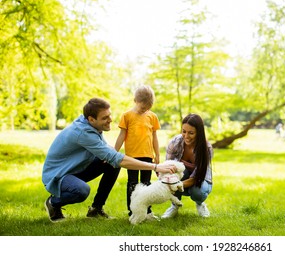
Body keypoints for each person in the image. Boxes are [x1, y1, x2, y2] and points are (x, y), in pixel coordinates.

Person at [42, 97, 176, 223]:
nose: (110, 119)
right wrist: (155, 167)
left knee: (112, 164)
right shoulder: (83, 133)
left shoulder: (90, 125)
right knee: (82, 190)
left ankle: (96, 209)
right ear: (91, 119)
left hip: (74, 169)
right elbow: (117, 158)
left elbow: (111, 154)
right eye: (105, 118)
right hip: (58, 175)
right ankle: (53, 203)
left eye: (110, 115)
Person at [114, 85, 160, 218]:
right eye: (142, 107)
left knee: (146, 185)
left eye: (148, 107)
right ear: (135, 101)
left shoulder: (152, 117)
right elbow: (121, 135)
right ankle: (132, 212)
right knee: (132, 185)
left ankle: (148, 212)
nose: (145, 110)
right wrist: (114, 153)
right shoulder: (127, 116)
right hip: (132, 157)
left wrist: (157, 154)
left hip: (147, 156)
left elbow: (154, 137)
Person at [161, 113, 213, 219]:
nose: (186, 136)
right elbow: (167, 168)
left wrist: (176, 185)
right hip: (181, 177)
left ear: (199, 133)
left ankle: (200, 204)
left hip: (199, 180)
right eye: (184, 131)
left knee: (198, 192)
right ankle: (174, 206)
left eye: (191, 133)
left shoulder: (206, 148)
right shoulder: (174, 143)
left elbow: (197, 177)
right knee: (174, 173)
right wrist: (168, 180)